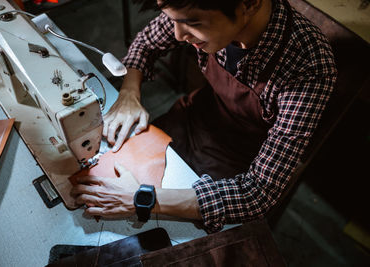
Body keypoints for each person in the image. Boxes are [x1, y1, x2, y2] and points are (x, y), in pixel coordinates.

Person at [71, 0, 337, 233]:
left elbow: (258, 193)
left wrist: (143, 200)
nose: (177, 34)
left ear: (249, 3)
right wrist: (129, 92)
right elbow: (146, 44)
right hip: (193, 118)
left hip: (241, 164)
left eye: (192, 23)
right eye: (173, 20)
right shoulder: (195, 10)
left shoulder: (309, 65)